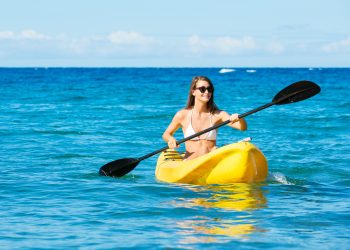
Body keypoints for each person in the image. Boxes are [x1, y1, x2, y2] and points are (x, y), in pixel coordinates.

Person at [162, 76, 247, 160]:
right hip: (190, 163)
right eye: (202, 89)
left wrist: (240, 118)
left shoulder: (218, 114)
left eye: (209, 89)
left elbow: (242, 127)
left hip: (211, 162)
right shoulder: (182, 114)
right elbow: (166, 134)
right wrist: (170, 139)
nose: (207, 92)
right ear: (193, 92)